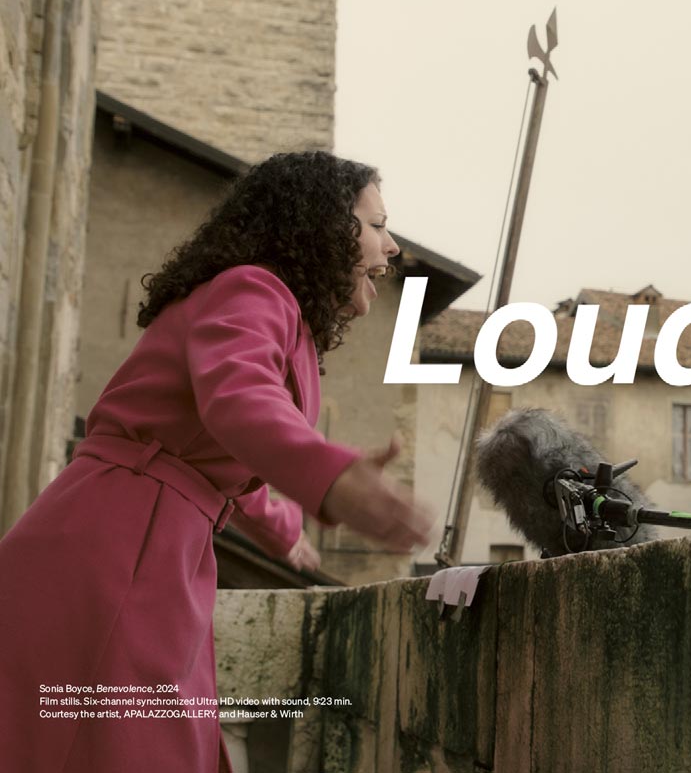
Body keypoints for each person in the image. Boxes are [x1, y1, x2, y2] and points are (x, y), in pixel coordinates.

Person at [0, 151, 434, 772]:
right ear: (322, 226)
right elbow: (238, 400)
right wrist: (330, 477)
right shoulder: (252, 287)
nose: (390, 246)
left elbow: (215, 455)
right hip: (118, 548)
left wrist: (280, 527)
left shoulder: (273, 309)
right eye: (377, 224)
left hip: (147, 545)